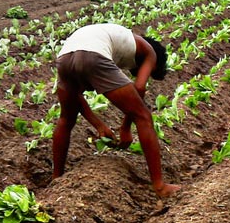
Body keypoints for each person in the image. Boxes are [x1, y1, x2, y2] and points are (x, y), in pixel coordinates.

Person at [50, 21, 178, 197]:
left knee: (66, 119)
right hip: (93, 55)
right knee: (144, 117)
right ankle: (159, 186)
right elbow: (139, 88)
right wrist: (125, 128)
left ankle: (56, 177)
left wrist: (99, 125)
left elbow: (75, 97)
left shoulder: (118, 37)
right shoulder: (149, 52)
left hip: (64, 58)